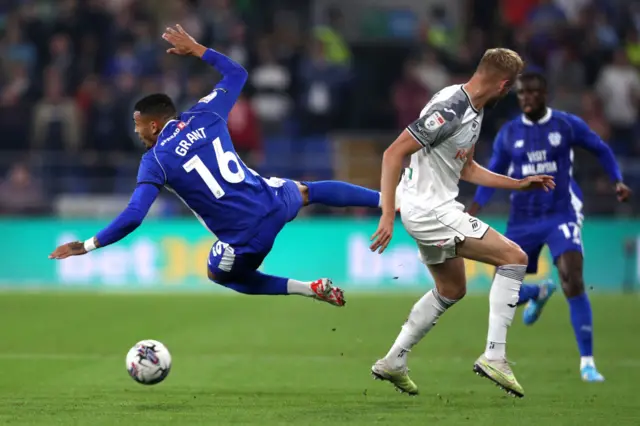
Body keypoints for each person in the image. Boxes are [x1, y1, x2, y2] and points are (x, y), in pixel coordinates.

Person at [49, 25, 384, 307]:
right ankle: (387, 200)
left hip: (245, 237)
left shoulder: (154, 161)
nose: (136, 133)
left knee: (220, 274)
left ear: (153, 125)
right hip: (272, 201)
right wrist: (197, 49)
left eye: (138, 126)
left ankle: (307, 288)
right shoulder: (205, 113)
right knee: (308, 190)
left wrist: (87, 245)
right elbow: (237, 73)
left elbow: (135, 215)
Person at [369, 48, 555, 398]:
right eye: (510, 87)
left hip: (431, 207)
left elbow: (466, 168)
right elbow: (393, 153)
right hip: (430, 211)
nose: (509, 94)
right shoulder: (449, 109)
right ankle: (494, 356)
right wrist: (386, 213)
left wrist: (517, 183)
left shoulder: (473, 106)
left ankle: (393, 361)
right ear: (502, 83)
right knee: (515, 258)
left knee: (452, 289)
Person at [468, 71, 631, 382]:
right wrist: (474, 207)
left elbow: (600, 148)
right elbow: (492, 174)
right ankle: (538, 292)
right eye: (521, 94)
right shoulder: (509, 133)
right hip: (522, 219)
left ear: (545, 94)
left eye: (532, 93)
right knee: (502, 289)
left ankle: (587, 363)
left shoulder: (566, 125)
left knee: (572, 278)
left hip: (560, 213)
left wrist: (617, 180)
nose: (526, 98)